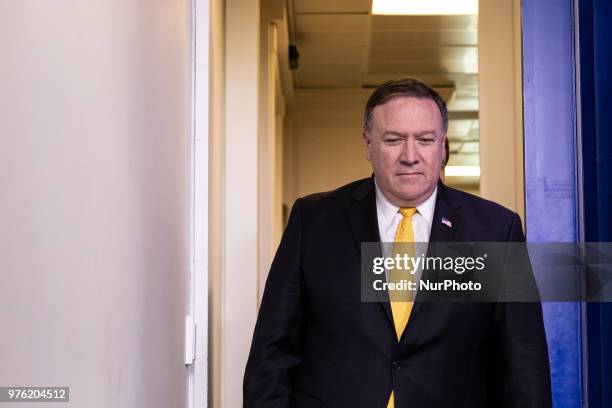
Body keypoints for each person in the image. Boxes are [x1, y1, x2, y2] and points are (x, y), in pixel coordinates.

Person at [243, 78, 551, 408]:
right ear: (367, 145)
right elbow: (272, 353)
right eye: (393, 140)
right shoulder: (315, 221)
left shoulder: (494, 230)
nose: (410, 155)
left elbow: (523, 362)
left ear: (442, 145)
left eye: (425, 139)